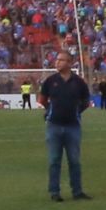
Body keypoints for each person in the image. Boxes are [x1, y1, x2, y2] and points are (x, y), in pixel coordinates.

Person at [38, 53, 92, 201]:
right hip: (54, 125)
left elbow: (86, 101)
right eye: (57, 60)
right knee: (54, 160)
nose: (57, 62)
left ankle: (77, 191)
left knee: (74, 160)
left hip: (73, 126)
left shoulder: (79, 82)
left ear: (69, 63)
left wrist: (76, 112)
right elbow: (42, 99)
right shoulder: (50, 81)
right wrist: (50, 110)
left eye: (61, 60)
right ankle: (54, 192)